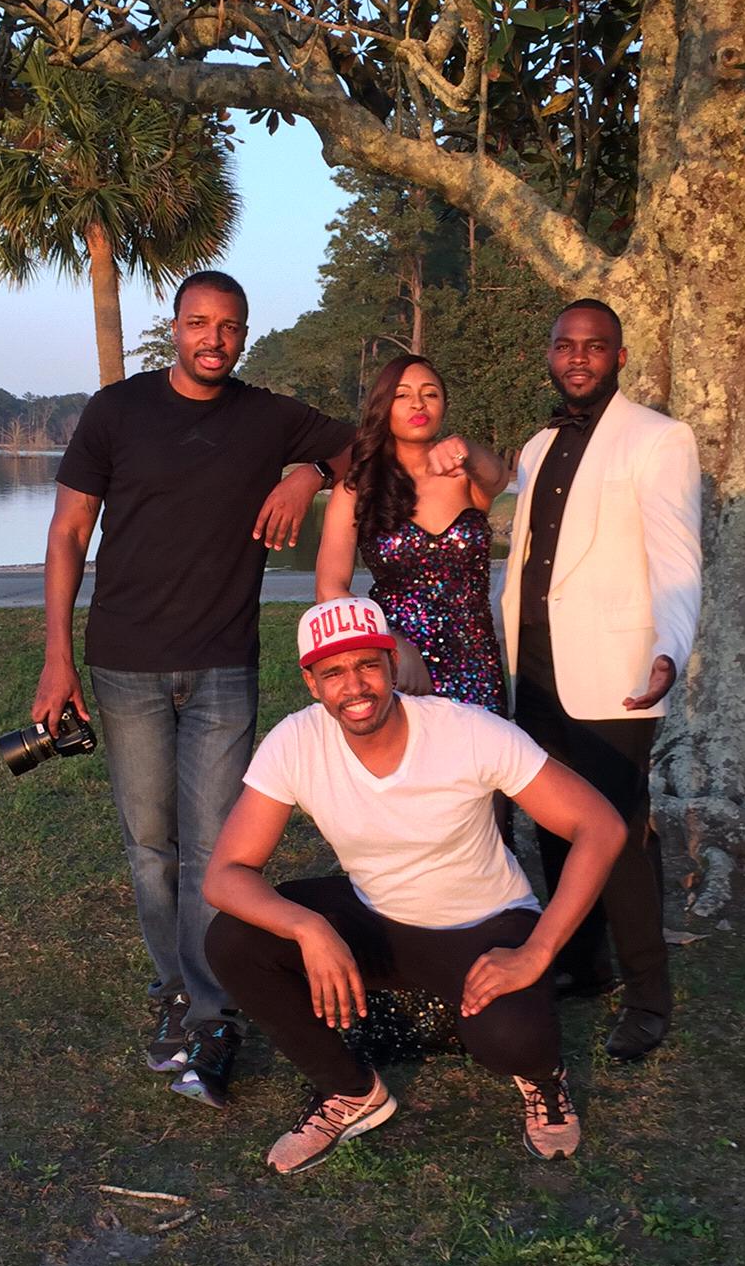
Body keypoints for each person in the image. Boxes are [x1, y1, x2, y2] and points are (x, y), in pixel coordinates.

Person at [32, 269, 352, 1107]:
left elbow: (364, 446)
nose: (214, 339)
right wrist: (57, 658)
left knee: (217, 850)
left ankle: (211, 1013)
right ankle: (175, 987)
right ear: (174, 327)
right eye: (199, 323)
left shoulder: (267, 416)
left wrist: (308, 473)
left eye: (230, 326)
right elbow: (68, 531)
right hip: (125, 662)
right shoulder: (117, 411)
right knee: (151, 845)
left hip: (222, 665)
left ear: (244, 334)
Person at [203, 597, 626, 1175]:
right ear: (311, 683)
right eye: (333, 672)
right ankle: (350, 1091)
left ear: (393, 663)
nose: (355, 686)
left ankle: (544, 1078)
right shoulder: (296, 741)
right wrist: (308, 928)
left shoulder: (467, 731)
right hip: (377, 917)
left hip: (482, 925)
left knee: (513, 1040)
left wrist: (537, 950)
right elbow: (226, 873)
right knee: (234, 939)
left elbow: (600, 826)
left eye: (367, 665)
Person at [501, 299, 701, 1062]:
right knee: (556, 825)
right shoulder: (537, 444)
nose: (578, 357)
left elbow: (678, 561)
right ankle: (584, 964)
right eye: (565, 345)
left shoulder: (658, 439)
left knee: (617, 836)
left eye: (594, 346)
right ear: (550, 355)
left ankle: (650, 997)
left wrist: (670, 649)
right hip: (535, 667)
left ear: (619, 356)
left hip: (617, 673)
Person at [315, 354, 510, 711]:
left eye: (430, 394)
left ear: (444, 405)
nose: (418, 403)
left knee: (485, 748)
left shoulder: (466, 476)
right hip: (401, 669)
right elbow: (330, 590)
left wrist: (465, 448)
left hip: (477, 666)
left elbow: (497, 476)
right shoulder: (356, 490)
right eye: (402, 395)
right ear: (383, 407)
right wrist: (389, 643)